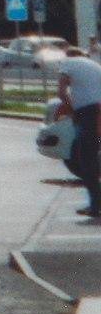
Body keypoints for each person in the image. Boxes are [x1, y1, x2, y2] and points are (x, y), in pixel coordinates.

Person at [61, 46, 101, 221]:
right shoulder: (93, 65)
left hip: (89, 114)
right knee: (90, 157)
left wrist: (72, 111)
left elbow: (61, 92)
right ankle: (95, 202)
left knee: (85, 160)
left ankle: (96, 205)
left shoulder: (67, 63)